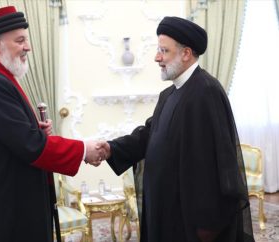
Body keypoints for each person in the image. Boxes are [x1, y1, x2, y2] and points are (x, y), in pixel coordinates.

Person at [98, 16, 255, 242]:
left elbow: (216, 162)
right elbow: (149, 135)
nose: (157, 57)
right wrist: (111, 148)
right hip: (166, 212)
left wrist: (207, 224)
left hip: (191, 221)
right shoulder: (169, 94)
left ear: (186, 53)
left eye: (164, 51)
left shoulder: (206, 92)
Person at [0, 6, 103, 242]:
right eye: (20, 40)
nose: (28, 47)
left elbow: (15, 137)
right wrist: (84, 149)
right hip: (1, 213)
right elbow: (30, 146)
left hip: (9, 203)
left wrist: (35, 132)